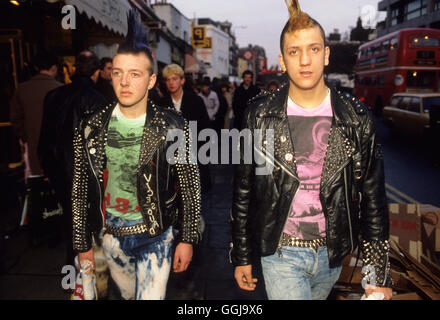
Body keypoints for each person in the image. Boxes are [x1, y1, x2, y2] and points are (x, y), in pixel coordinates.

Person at [231, 0, 393, 300]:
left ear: (326, 54)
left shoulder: (355, 117)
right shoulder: (261, 114)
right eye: (295, 51)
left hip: (333, 255)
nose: (305, 60)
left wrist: (376, 272)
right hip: (280, 251)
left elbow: (374, 199)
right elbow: (244, 188)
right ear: (282, 60)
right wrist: (241, 254)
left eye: (314, 49)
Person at [71, 10, 201, 300]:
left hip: (156, 234)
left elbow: (190, 187)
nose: (125, 82)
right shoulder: (92, 125)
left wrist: (188, 238)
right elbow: (80, 187)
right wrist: (82, 243)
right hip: (111, 237)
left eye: (135, 74)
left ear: (151, 80)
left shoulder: (172, 125)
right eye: (118, 73)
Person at [38, 51, 108, 266]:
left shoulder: (53, 96)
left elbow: (44, 139)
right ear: (96, 73)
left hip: (59, 170)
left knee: (70, 221)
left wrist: (48, 168)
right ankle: (87, 274)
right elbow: (100, 147)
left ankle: (75, 268)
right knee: (90, 223)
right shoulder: (98, 100)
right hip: (86, 174)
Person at [160, 63, 212, 192]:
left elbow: (205, 128)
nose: (171, 83)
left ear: (182, 80)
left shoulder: (196, 101)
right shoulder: (161, 104)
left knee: (193, 195)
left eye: (174, 79)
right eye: (168, 80)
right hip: (170, 157)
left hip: (193, 153)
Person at [10, 52, 62, 180]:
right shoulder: (61, 89)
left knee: (34, 183)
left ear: (36, 68)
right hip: (56, 148)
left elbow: (15, 118)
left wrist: (25, 135)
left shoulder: (22, 88)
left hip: (32, 145)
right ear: (54, 68)